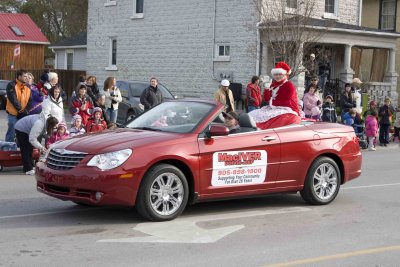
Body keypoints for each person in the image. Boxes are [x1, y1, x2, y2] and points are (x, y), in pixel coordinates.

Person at [249, 62, 300, 129]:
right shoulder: (273, 84)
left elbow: (288, 101)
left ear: (284, 75)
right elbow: (266, 99)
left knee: (275, 117)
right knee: (252, 114)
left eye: (280, 74)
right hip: (272, 107)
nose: (277, 76)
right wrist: (267, 89)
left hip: (287, 108)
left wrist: (272, 102)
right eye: (276, 74)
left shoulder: (289, 85)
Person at [5, 69, 32, 142]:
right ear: (19, 76)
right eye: (25, 76)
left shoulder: (28, 87)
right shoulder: (11, 85)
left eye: (27, 76)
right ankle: (8, 149)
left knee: (22, 134)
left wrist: (26, 111)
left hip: (23, 115)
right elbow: (13, 100)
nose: (27, 78)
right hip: (13, 114)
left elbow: (30, 101)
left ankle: (19, 150)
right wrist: (21, 110)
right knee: (11, 133)